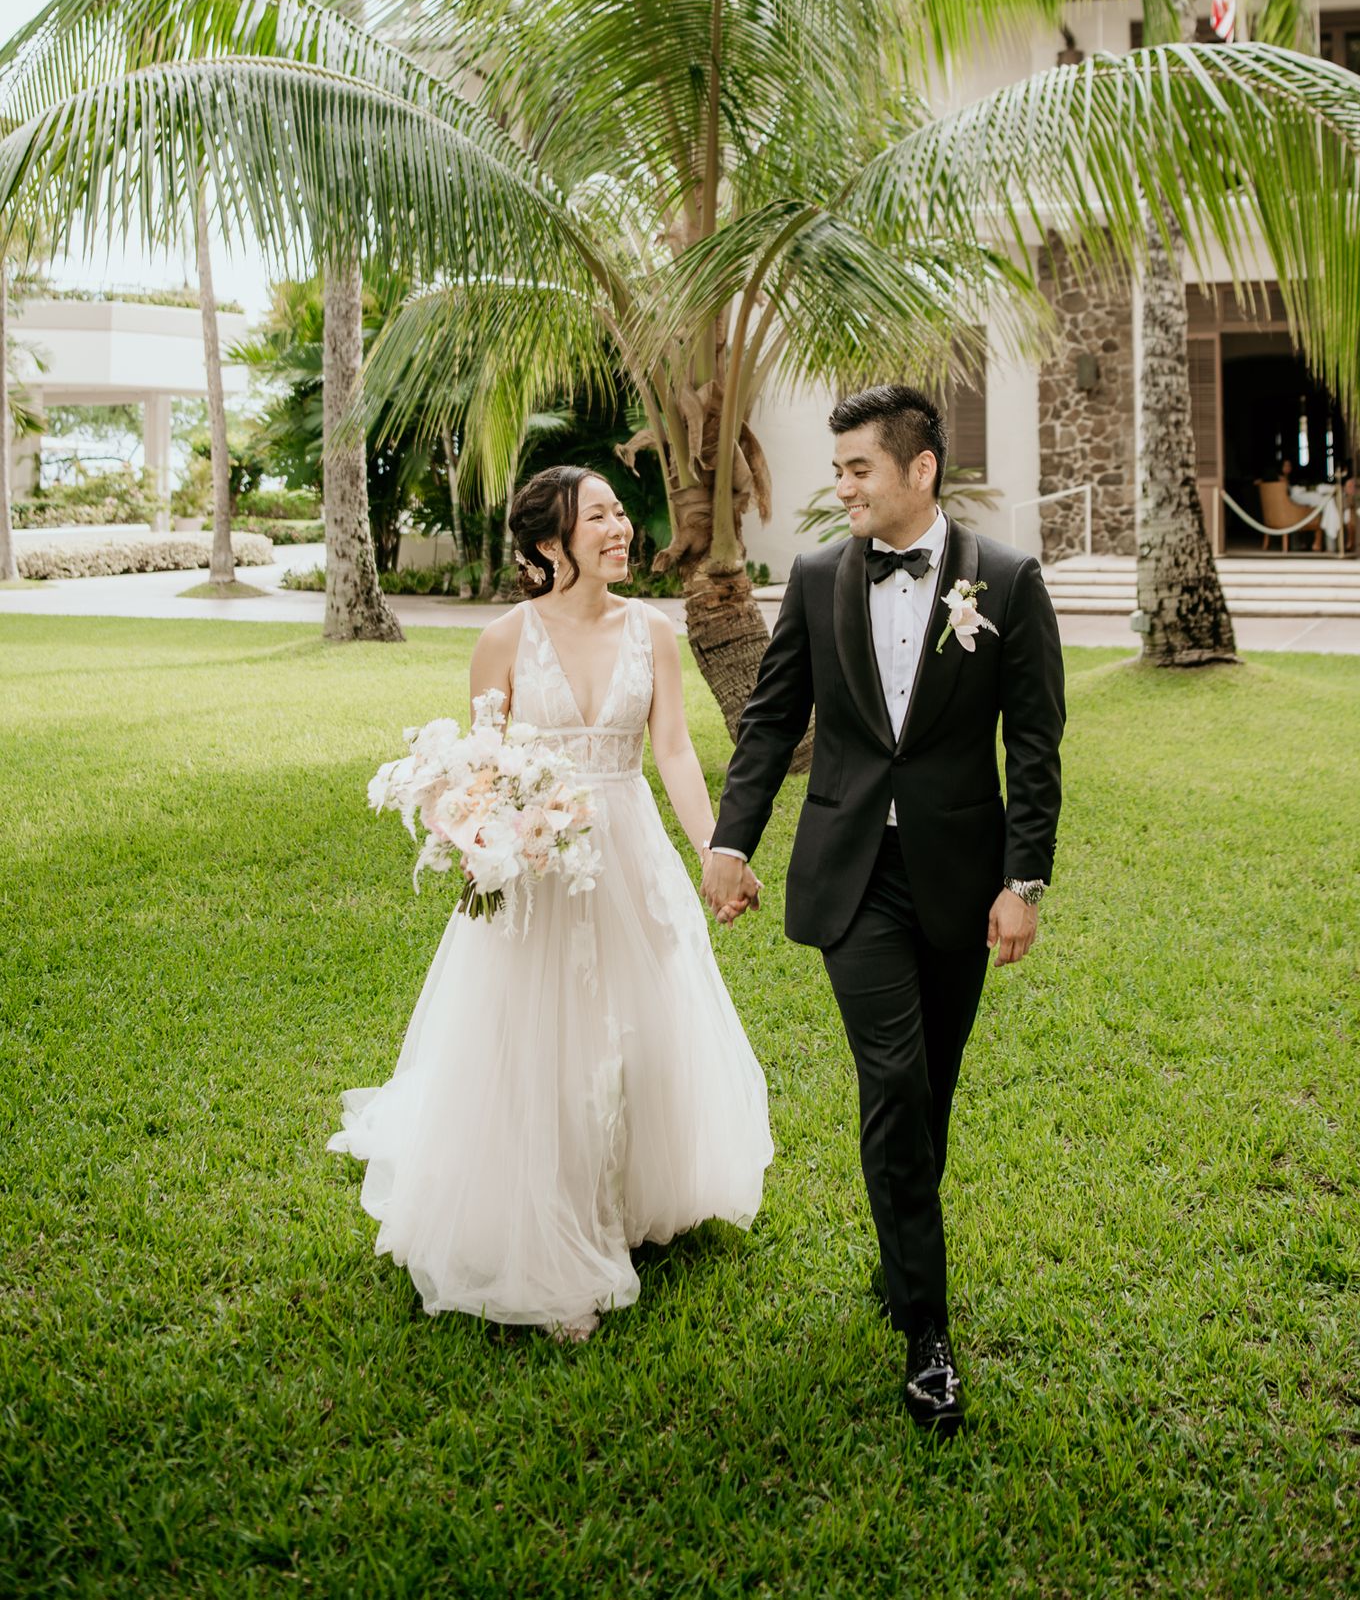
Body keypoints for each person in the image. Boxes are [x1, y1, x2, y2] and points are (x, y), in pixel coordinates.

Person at [329, 465, 772, 1339]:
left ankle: (629, 1186)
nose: (620, 528)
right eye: (598, 516)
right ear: (547, 543)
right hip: (535, 862)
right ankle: (549, 1222)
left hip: (628, 848)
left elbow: (674, 752)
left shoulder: (655, 631)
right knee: (538, 1033)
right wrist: (484, 842)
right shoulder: (501, 640)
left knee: (642, 1023)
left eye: (619, 513)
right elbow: (480, 770)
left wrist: (717, 850)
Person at [702, 384, 1065, 1436]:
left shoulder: (1007, 579)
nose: (842, 483)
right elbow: (769, 723)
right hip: (850, 874)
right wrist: (733, 841)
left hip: (960, 877)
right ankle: (928, 1338)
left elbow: (1033, 746)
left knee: (930, 1091)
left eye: (859, 466)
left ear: (920, 470)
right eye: (841, 466)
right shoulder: (816, 578)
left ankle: (897, 1248)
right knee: (895, 1080)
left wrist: (1023, 880)